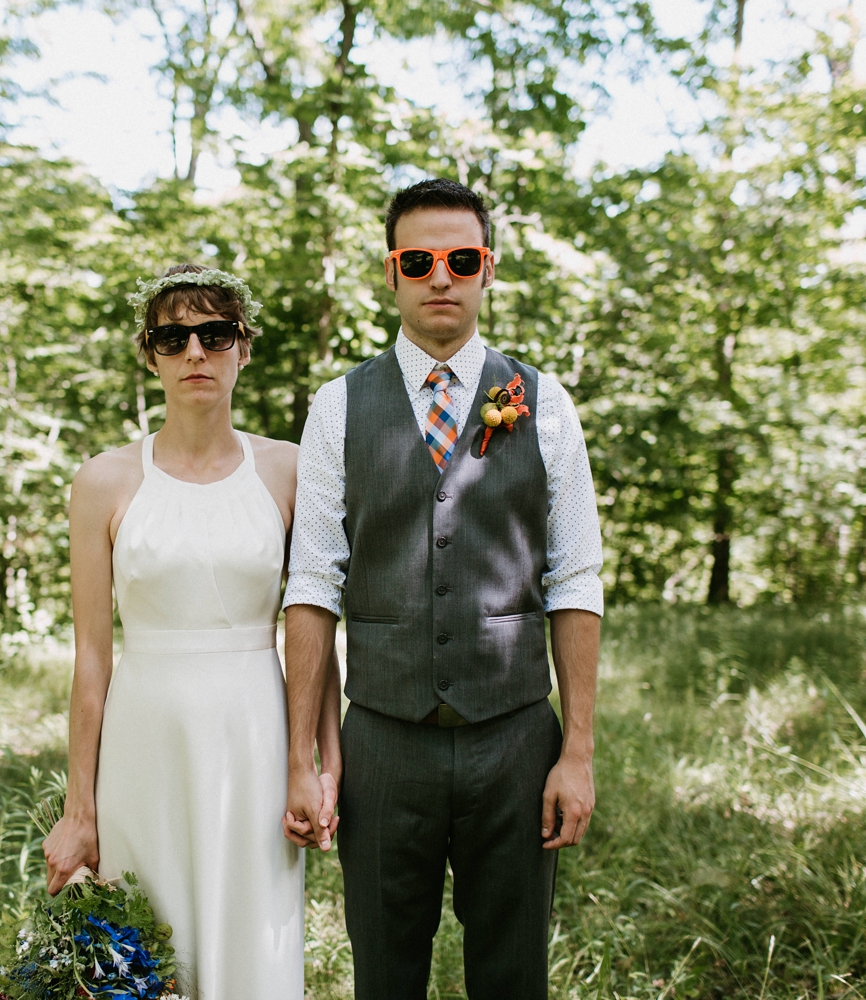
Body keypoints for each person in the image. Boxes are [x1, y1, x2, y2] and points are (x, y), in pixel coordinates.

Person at [282, 178, 605, 999]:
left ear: (487, 269)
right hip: (382, 746)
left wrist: (577, 751)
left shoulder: (546, 403)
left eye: (461, 259)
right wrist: (304, 758)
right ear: (390, 273)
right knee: (385, 976)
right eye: (417, 259)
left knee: (513, 975)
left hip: (516, 742)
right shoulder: (338, 408)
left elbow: (574, 580)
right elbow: (314, 582)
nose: (440, 276)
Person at [42, 264, 342, 999]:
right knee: (145, 946)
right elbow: (90, 658)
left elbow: (317, 632)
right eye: (173, 338)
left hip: (255, 734)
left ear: (245, 347)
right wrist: (79, 810)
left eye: (214, 334)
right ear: (150, 354)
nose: (195, 355)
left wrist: (325, 764)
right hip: (143, 742)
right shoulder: (104, 481)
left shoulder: (294, 472)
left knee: (251, 940)